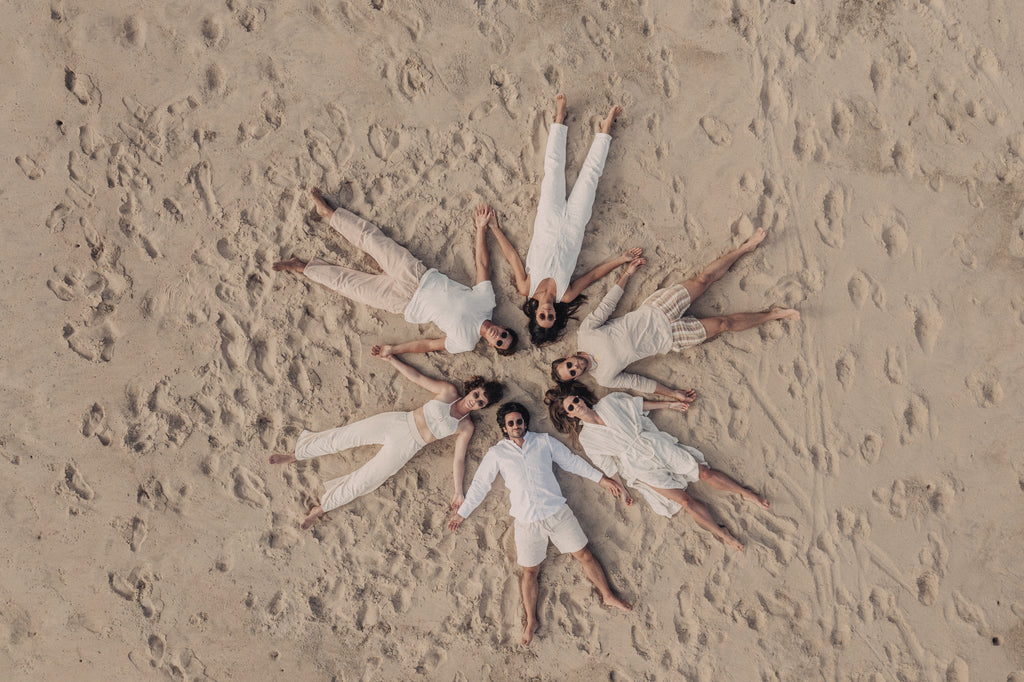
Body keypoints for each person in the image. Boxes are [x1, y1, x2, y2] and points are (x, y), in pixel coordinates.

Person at [447, 402, 632, 645]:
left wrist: (601, 479)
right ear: (504, 427)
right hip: (526, 521)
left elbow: (571, 461)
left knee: (585, 554)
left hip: (557, 512)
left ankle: (608, 595)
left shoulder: (544, 441)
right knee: (530, 572)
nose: (516, 426)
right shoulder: (497, 453)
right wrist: (463, 513)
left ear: (525, 422)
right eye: (511, 423)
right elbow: (481, 484)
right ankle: (531, 620)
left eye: (519, 421)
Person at [270, 348, 504, 529]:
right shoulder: (448, 392)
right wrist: (390, 358)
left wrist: (458, 491)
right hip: (398, 422)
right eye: (476, 395)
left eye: (481, 402)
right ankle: (296, 454)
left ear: (483, 407)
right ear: (472, 389)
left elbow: (459, 460)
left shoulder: (466, 426)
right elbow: (417, 378)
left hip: (409, 446)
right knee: (345, 437)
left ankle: (320, 510)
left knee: (367, 479)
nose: (475, 401)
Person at [551, 229, 800, 398]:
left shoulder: (586, 333)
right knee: (724, 324)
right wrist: (673, 394)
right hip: (671, 338)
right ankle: (773, 315)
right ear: (577, 377)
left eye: (569, 365)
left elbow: (607, 306)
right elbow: (639, 383)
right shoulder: (604, 376)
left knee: (703, 280)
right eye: (573, 373)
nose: (576, 368)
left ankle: (746, 247)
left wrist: (626, 274)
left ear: (568, 356)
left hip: (658, 310)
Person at [274, 188, 517, 356]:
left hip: (404, 302)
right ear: (505, 327)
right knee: (372, 239)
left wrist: (394, 350)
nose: (498, 335)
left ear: (492, 345)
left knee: (350, 286)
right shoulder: (487, 303)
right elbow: (482, 265)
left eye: (499, 342)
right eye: (504, 334)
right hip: (416, 276)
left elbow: (429, 345)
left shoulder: (466, 342)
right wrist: (480, 228)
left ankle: (302, 267)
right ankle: (329, 213)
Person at [486, 93, 640, 346]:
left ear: (535, 313)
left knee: (554, 170)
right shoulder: (566, 296)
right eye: (550, 317)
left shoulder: (527, 288)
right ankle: (605, 129)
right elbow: (592, 276)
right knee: (590, 176)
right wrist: (620, 260)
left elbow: (512, 256)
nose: (547, 312)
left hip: (548, 218)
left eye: (542, 316)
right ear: (556, 316)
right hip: (574, 224)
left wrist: (494, 228)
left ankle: (560, 118)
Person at [545, 382, 769, 551]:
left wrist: (670, 404)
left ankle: (746, 493)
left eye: (576, 400)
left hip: (653, 443)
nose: (577, 405)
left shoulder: (610, 403)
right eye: (571, 407)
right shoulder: (587, 439)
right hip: (637, 466)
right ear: (570, 415)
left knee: (703, 472)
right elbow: (608, 464)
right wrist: (623, 490)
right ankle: (722, 533)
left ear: (580, 398)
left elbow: (638, 405)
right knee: (684, 501)